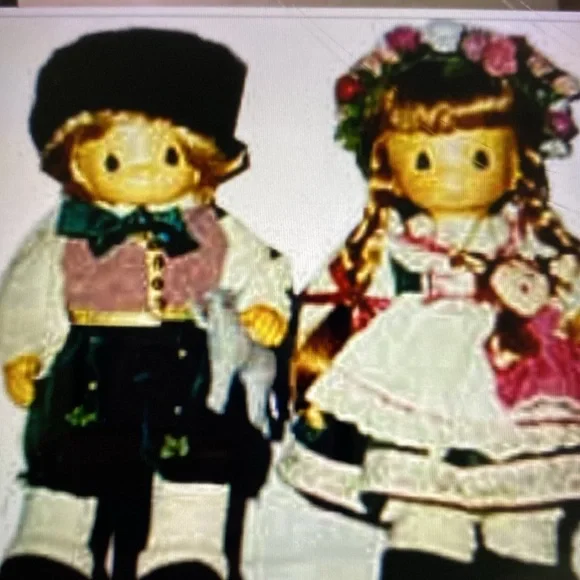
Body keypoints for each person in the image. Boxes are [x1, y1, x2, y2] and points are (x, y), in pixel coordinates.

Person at [278, 19, 580, 579]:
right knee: (424, 516)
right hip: (419, 384)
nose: (451, 177)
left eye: (478, 158)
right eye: (423, 160)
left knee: (525, 522)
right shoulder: (395, 246)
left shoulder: (531, 244)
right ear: (390, 167)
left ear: (517, 162)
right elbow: (332, 304)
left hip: (521, 395)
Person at [0, 28, 292, 580]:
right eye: (114, 158)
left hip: (189, 361)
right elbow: (27, 290)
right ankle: (50, 550)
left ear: (201, 160)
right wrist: (23, 348)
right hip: (93, 359)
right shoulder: (65, 231)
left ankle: (186, 554)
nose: (142, 172)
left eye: (168, 154)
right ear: (76, 161)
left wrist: (264, 308)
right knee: (72, 458)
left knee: (196, 459)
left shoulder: (216, 229)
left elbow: (262, 268)